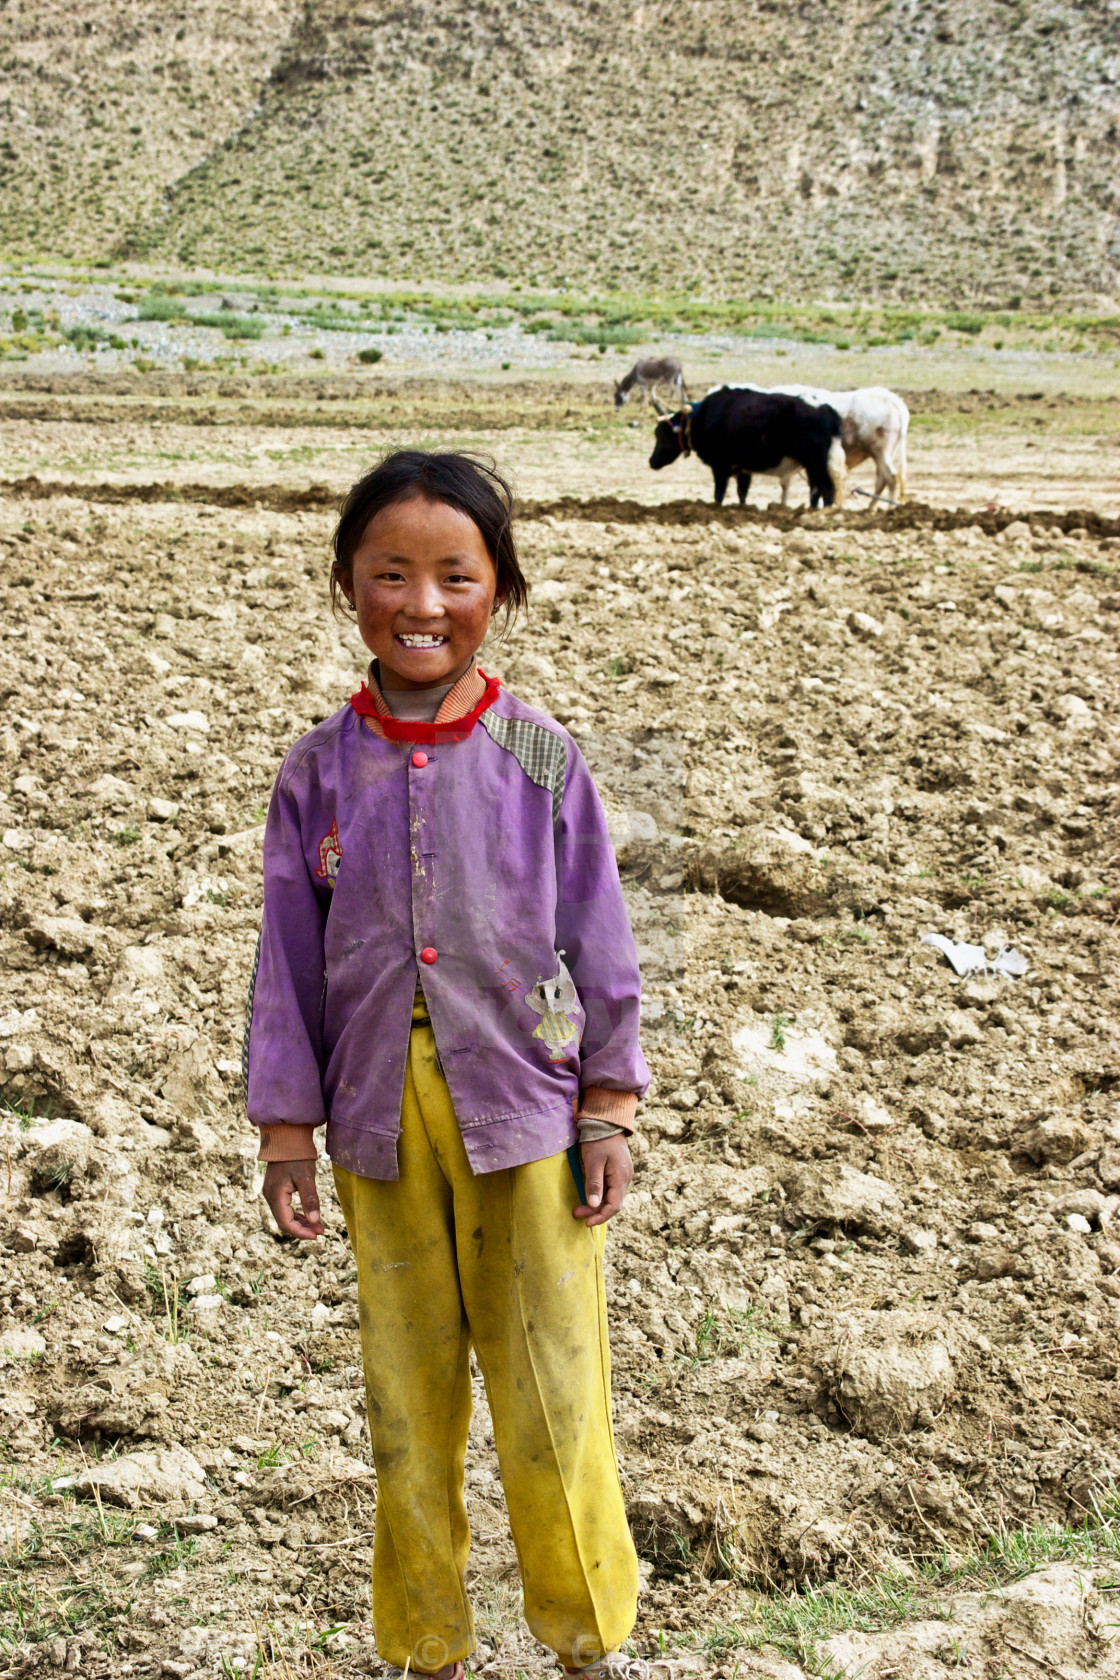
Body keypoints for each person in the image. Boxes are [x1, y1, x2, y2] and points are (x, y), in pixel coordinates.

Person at [245, 449, 650, 1680]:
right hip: (375, 1119)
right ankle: (424, 1649)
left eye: (454, 576)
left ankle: (588, 1643)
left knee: (553, 1394)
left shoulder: (540, 758)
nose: (422, 604)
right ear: (347, 588)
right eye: (390, 574)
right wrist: (284, 1130)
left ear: (499, 592)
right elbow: (287, 960)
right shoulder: (318, 770)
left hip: (525, 1109)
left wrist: (610, 1104)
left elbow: (598, 931)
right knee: (405, 1406)